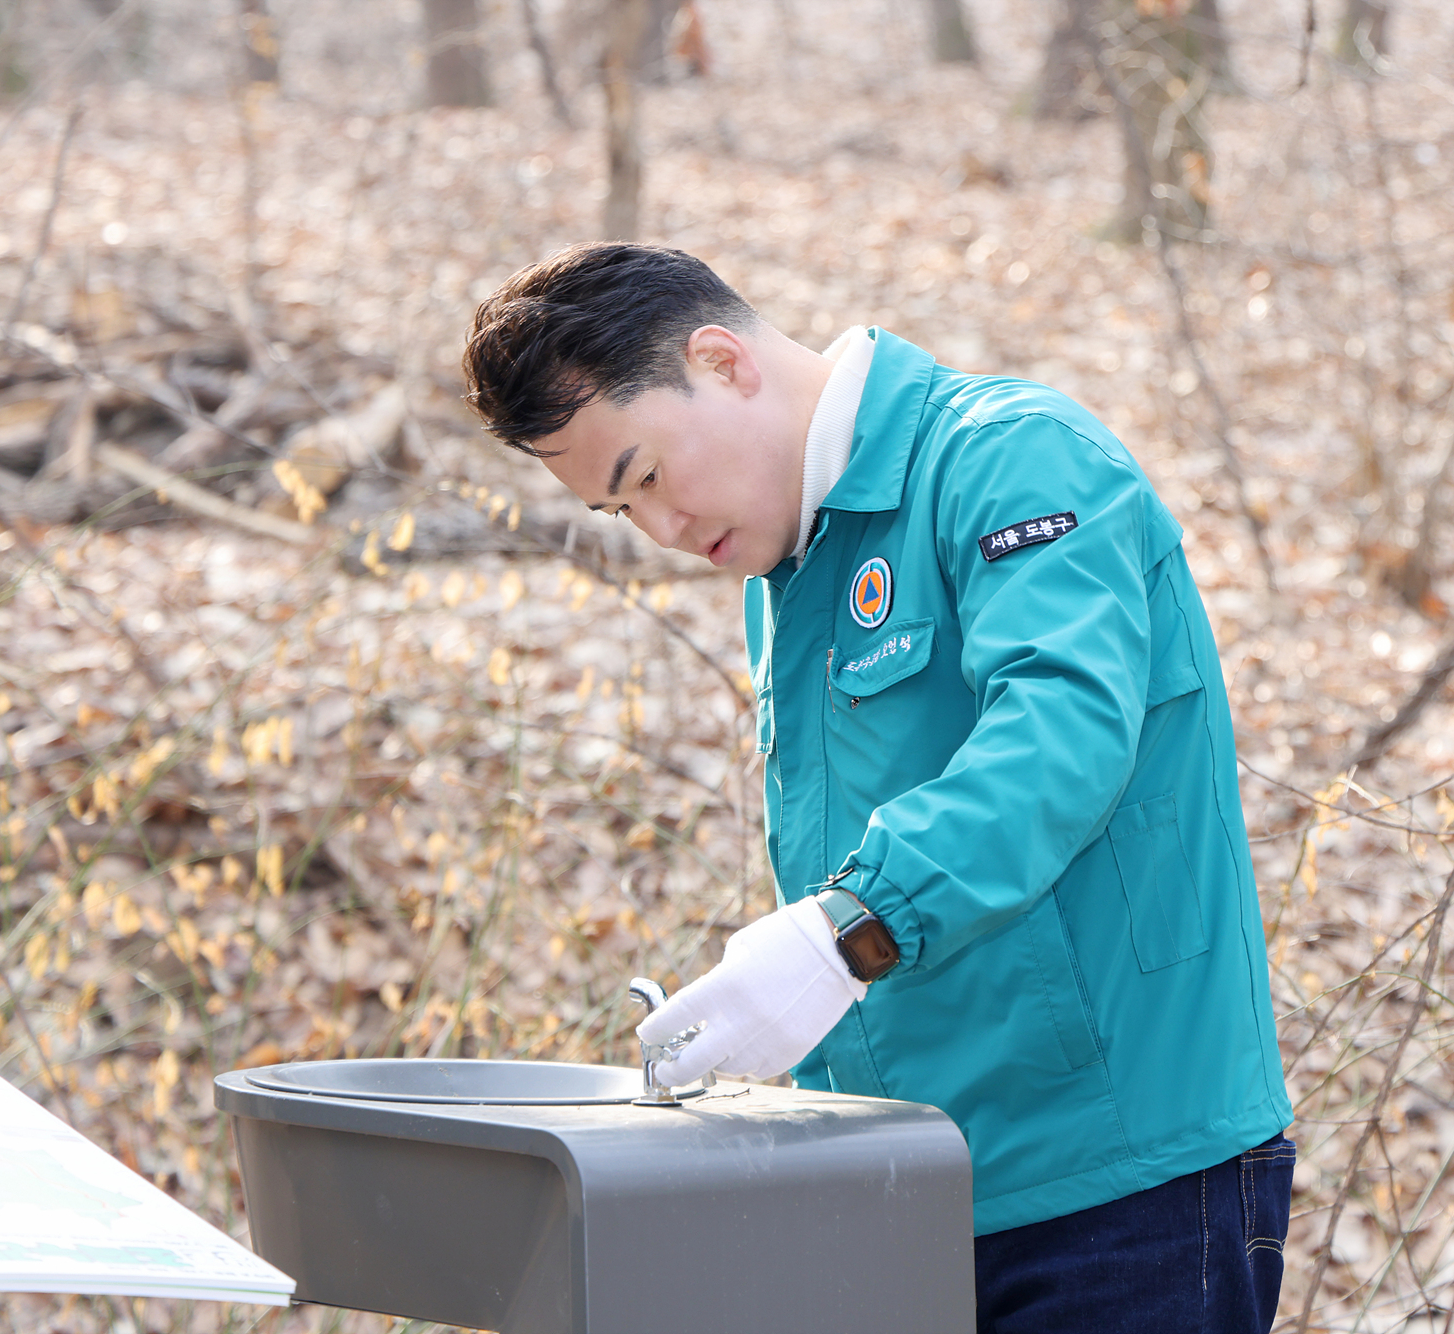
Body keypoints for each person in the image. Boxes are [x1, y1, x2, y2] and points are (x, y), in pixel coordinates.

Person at [463, 242, 1294, 1333]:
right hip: (906, 1188)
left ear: (720, 361)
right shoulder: (787, 571)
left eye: (649, 477)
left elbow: (1061, 737)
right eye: (625, 517)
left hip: (1118, 1188)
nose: (664, 533)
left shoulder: (1013, 460)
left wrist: (845, 930)